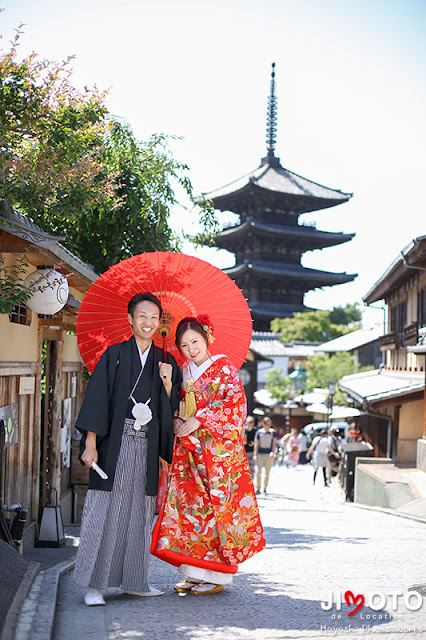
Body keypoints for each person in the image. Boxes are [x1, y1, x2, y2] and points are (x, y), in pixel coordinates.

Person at [73, 293, 182, 606]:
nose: (148, 323)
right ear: (130, 320)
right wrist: (91, 444)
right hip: (115, 443)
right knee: (104, 510)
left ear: (160, 323)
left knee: (139, 512)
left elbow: (170, 408)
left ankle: (135, 581)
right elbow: (97, 401)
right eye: (142, 316)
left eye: (154, 318)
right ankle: (95, 585)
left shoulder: (167, 362)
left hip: (146, 447)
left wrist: (166, 384)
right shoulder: (115, 355)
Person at [151, 315, 265, 595]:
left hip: (217, 455)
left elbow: (235, 406)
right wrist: (176, 416)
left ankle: (216, 575)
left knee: (215, 513)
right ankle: (192, 571)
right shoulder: (182, 370)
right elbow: (174, 405)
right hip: (189, 451)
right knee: (190, 512)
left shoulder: (223, 368)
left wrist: (199, 419)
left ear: (206, 339)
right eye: (184, 345)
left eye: (195, 342)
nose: (191, 349)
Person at [253, 416, 277, 494]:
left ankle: (264, 488)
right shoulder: (259, 432)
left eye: (269, 424)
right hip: (260, 454)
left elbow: (274, 444)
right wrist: (255, 454)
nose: (268, 426)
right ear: (263, 424)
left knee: (267, 473)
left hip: (268, 454)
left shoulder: (273, 432)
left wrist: (273, 452)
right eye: (267, 424)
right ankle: (258, 488)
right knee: (258, 471)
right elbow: (256, 444)